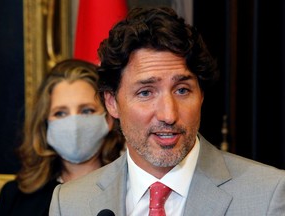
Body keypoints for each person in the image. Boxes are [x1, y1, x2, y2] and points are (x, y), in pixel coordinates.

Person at [49, 7, 285, 216]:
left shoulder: (268, 194)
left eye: (182, 90)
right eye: (146, 93)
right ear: (112, 103)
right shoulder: (71, 203)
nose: (168, 115)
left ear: (201, 95)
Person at [0, 59, 124, 216]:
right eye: (60, 113)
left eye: (86, 111)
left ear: (108, 118)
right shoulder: (15, 197)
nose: (74, 124)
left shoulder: (131, 188)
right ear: (46, 123)